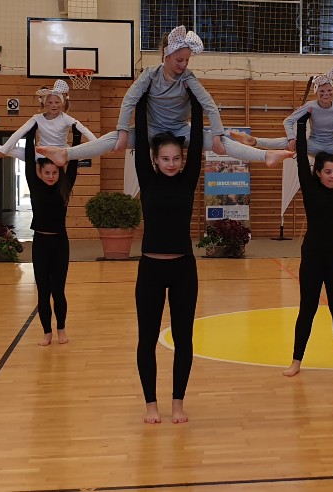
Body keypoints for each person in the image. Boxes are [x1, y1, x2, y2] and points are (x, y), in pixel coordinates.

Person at [36, 26, 292, 168]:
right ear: (166, 56)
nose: (183, 65)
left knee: (223, 140)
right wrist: (123, 131)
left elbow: (209, 106)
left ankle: (265, 156)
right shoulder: (150, 75)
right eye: (179, 60)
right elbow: (129, 100)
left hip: (181, 131)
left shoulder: (188, 78)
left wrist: (215, 134)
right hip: (151, 131)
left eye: (187, 60)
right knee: (112, 138)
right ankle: (66, 154)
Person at [133, 82, 204, 424]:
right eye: (165, 158)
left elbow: (199, 141)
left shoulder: (188, 180)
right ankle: (151, 404)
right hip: (150, 269)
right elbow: (141, 133)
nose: (171, 163)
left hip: (183, 270)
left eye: (176, 158)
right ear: (154, 159)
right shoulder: (147, 179)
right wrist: (144, 98)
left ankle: (177, 403)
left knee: (183, 339)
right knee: (146, 339)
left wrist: (195, 101)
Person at [283, 110, 333, 377]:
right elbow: (301, 156)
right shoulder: (310, 185)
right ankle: (296, 361)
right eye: (328, 171)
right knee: (307, 309)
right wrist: (303, 122)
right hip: (313, 258)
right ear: (317, 173)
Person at [23, 120, 82, 346]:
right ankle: (47, 332)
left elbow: (73, 162)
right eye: (46, 172)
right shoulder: (34, 184)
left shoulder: (64, 186)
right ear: (39, 172)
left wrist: (76, 137)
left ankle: (61, 329)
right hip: (40, 243)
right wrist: (31, 133)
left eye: (54, 172)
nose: (50, 176)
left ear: (59, 172)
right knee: (43, 291)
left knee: (58, 290)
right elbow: (29, 158)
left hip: (59, 244)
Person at [0, 80, 96, 161]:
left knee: (87, 151)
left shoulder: (65, 118)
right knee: (7, 149)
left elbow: (83, 129)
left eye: (57, 102)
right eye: (50, 102)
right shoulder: (37, 118)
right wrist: (4, 150)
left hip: (62, 152)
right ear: (45, 104)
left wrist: (97, 144)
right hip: (41, 153)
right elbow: (19, 132)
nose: (54, 105)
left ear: (62, 103)